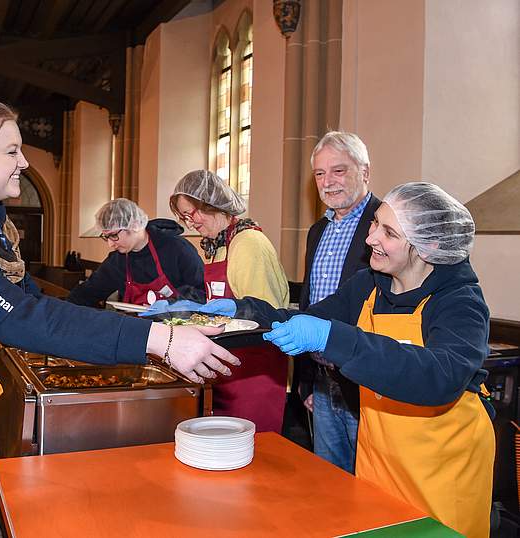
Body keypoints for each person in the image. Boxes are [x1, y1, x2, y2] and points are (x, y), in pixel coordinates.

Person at [0, 96, 240, 538]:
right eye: (11, 151)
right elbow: (22, 317)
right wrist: (157, 341)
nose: (23, 162)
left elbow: (38, 302)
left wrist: (169, 328)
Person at [205, 182, 494, 537]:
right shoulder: (369, 284)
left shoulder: (460, 301)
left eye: (388, 232)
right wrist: (235, 315)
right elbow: (301, 320)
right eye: (375, 223)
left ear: (429, 246)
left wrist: (336, 338)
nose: (371, 238)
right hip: (380, 462)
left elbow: (439, 376)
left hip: (443, 471)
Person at [168, 169, 290, 432]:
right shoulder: (217, 245)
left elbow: (264, 318)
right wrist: (193, 312)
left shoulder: (248, 244)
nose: (190, 223)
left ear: (213, 205)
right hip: (228, 365)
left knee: (256, 447)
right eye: (184, 216)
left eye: (193, 213)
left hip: (256, 369)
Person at [295, 131, 382, 473]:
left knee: (372, 488)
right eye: (320, 173)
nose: (327, 182)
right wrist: (305, 379)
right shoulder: (318, 231)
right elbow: (309, 303)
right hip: (321, 380)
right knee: (327, 484)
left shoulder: (384, 226)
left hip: (364, 382)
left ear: (365, 172)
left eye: (339, 171)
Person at [67, 198, 205, 307]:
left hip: (179, 331)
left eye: (114, 235)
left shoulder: (176, 248)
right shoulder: (117, 261)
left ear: (133, 225)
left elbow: (202, 292)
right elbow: (87, 293)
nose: (110, 244)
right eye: (106, 237)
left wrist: (171, 306)